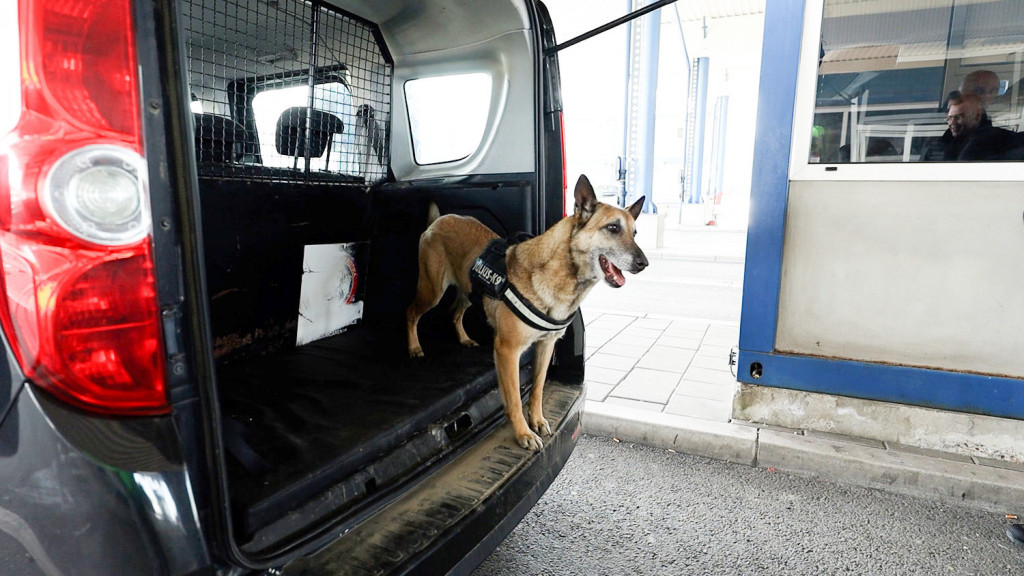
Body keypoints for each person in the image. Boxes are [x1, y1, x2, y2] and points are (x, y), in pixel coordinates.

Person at [919, 92, 1017, 161]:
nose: (952, 123)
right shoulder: (941, 142)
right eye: (949, 118)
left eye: (958, 117)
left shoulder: (996, 139)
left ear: (977, 116)